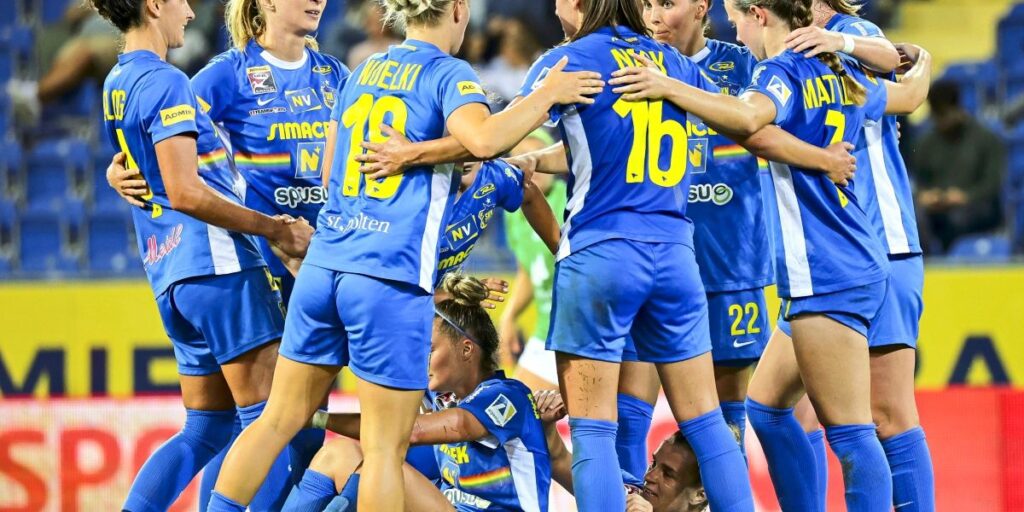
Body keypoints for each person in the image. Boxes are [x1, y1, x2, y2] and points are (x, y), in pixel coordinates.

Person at [205, 0, 602, 509]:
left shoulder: (363, 70)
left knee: (277, 419)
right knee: (383, 451)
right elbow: (484, 140)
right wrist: (547, 95)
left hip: (325, 262)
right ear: (458, 10)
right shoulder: (448, 72)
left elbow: (329, 172)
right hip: (386, 278)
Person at [606, 0, 931, 508]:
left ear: (759, 14)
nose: (734, 32)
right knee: (767, 406)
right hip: (843, 257)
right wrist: (918, 60)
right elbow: (902, 93)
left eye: (737, 19)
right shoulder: (834, 68)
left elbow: (750, 117)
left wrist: (667, 86)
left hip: (827, 266)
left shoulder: (780, 72)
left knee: (856, 430)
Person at [104, 0, 353, 504]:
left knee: (222, 424)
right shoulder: (216, 76)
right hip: (246, 259)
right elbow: (176, 169)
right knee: (270, 422)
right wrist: (275, 230)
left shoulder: (335, 75)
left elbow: (151, 141)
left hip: (305, 259)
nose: (191, 12)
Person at [773, 2, 937, 510]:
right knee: (777, 407)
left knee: (888, 414)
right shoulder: (789, 56)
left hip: (881, 245)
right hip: (829, 256)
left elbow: (897, 71)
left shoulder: (848, 32)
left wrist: (850, 43)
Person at [283, 274, 568, 511]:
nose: (420, 359)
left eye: (429, 349)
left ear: (466, 349)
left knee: (384, 466)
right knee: (339, 454)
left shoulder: (506, 396)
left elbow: (417, 430)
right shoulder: (442, 398)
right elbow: (388, 316)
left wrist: (316, 419)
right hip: (447, 504)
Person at [500, 129, 566, 392]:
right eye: (521, 157)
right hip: (545, 329)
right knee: (524, 408)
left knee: (518, 405)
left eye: (537, 155)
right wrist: (509, 316)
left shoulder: (571, 199)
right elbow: (529, 270)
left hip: (573, 328)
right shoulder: (514, 211)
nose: (530, 165)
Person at [913, 80, 1006, 254]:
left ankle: (952, 261)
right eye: (936, 116)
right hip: (938, 210)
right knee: (915, 217)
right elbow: (920, 181)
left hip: (977, 207)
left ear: (957, 108)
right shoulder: (926, 143)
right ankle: (927, 262)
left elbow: (993, 183)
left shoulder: (985, 138)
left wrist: (966, 197)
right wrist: (925, 196)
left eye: (944, 114)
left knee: (957, 218)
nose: (941, 121)